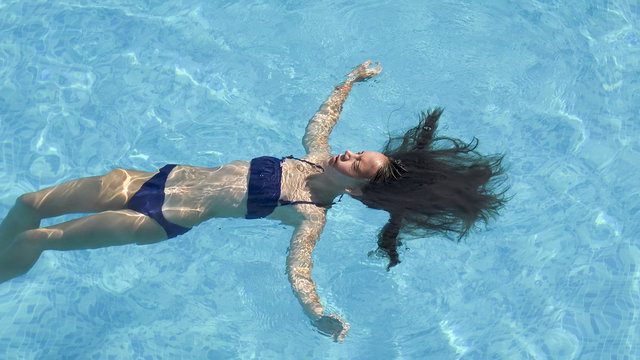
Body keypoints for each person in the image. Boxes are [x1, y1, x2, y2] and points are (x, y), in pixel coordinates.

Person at [0, 61, 507, 341]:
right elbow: (323, 119)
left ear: (356, 191)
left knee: (38, 237)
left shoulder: (309, 214)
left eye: (358, 163)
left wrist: (316, 314)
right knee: (28, 202)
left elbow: (299, 271)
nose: (349, 152)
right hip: (156, 178)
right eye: (357, 151)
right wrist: (349, 81)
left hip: (162, 217)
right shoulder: (315, 155)